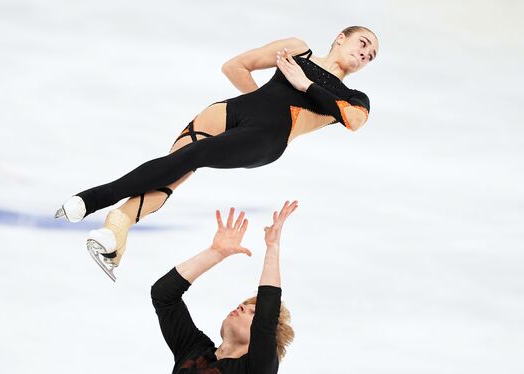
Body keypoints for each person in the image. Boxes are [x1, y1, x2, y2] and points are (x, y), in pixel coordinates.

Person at [55, 26, 378, 280]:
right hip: (232, 112)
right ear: (340, 37)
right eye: (363, 43)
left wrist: (303, 85)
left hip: (266, 139)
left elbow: (353, 121)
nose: (366, 54)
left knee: (191, 156)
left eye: (371, 55)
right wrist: (261, 102)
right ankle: (115, 232)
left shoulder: (352, 96)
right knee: (172, 169)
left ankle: (91, 200)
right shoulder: (296, 49)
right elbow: (235, 66)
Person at [151, 201, 297, 373]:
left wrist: (272, 248)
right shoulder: (194, 350)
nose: (241, 306)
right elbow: (164, 295)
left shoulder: (255, 368)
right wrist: (215, 253)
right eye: (244, 305)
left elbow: (266, 321)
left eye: (253, 313)